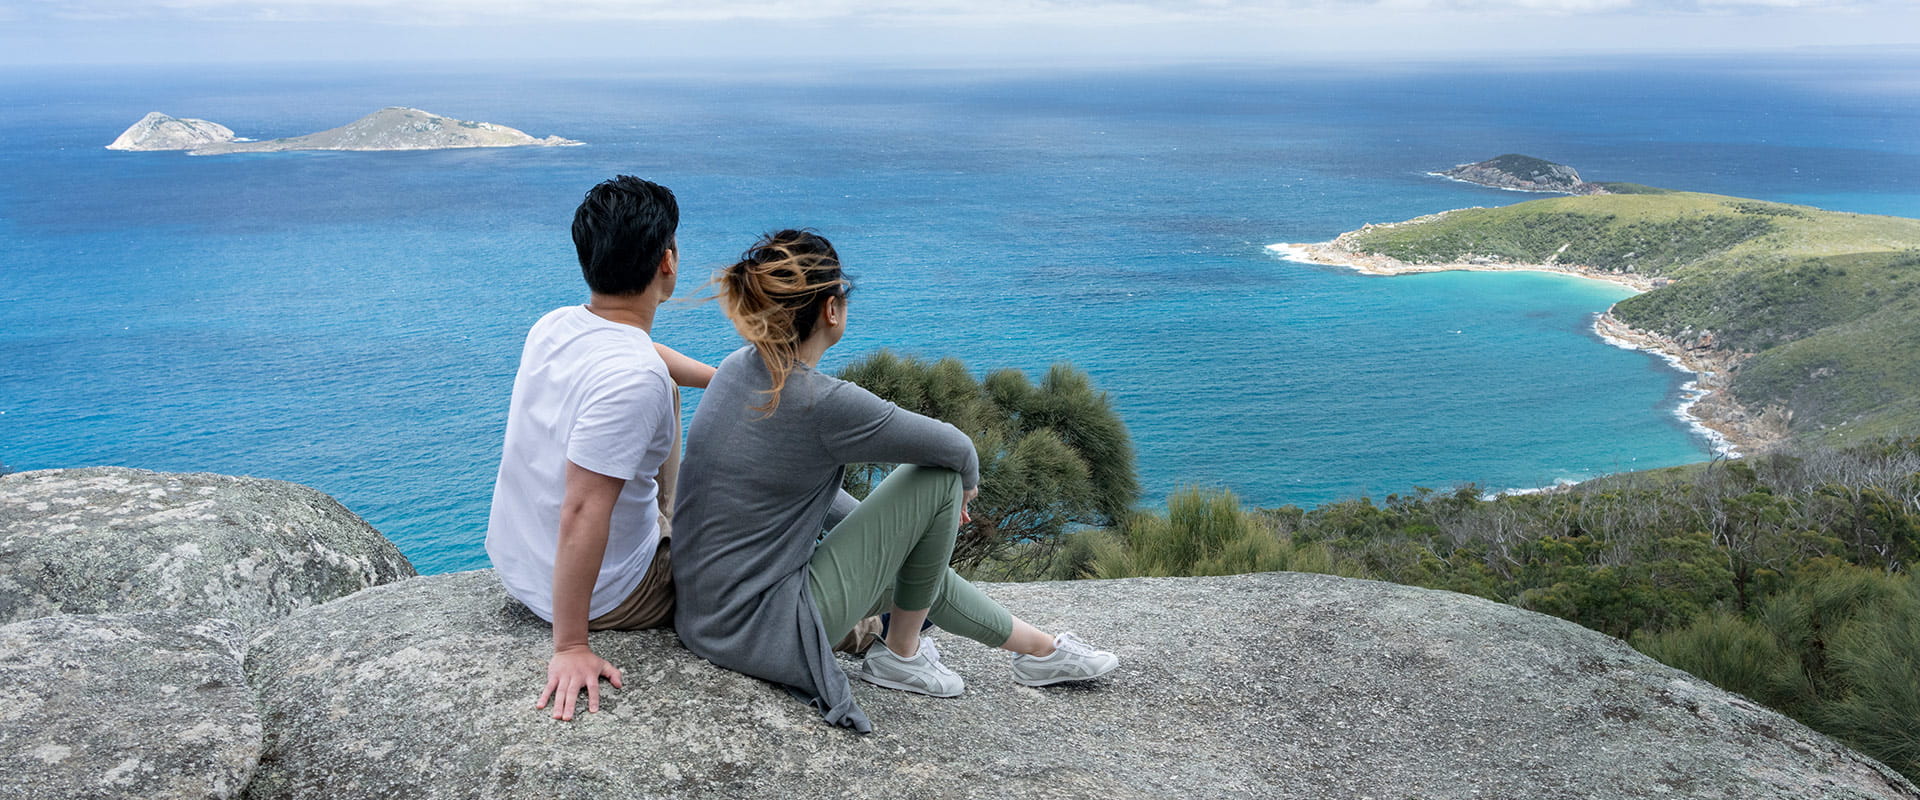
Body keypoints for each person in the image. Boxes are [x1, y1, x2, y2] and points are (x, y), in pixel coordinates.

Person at [671, 229, 1118, 733]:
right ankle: (902, 654)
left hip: (708, 617)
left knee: (913, 564)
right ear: (831, 310)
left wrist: (901, 536)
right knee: (939, 478)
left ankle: (1041, 651)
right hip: (765, 629)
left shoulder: (737, 370)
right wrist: (956, 494)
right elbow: (957, 449)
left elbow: (799, 498)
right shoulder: (821, 401)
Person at [484, 175, 714, 723]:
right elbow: (583, 509)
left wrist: (725, 378)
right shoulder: (635, 379)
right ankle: (875, 628)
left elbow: (643, 350)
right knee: (749, 566)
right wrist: (570, 646)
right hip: (613, 594)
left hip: (521, 566)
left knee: (666, 385)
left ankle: (667, 522)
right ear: (668, 261)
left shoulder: (556, 324)